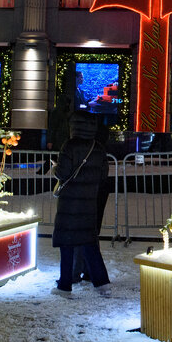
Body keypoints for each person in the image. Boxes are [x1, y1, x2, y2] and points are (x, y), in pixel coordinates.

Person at [51, 111, 112, 297]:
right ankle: (102, 283)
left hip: (70, 204)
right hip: (89, 203)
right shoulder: (98, 147)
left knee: (67, 244)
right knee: (89, 243)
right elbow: (103, 175)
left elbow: (62, 173)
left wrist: (54, 167)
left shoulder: (69, 145)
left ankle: (65, 285)